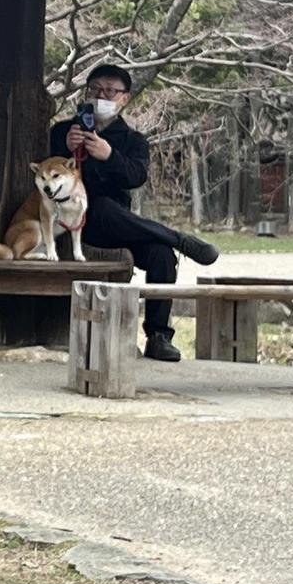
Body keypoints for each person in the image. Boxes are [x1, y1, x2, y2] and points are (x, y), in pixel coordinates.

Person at [50, 65, 219, 362]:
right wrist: (63, 150)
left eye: (110, 91)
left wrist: (109, 155)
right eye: (95, 89)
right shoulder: (63, 131)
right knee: (97, 205)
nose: (101, 96)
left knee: (161, 253)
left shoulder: (133, 139)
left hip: (117, 224)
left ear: (124, 98)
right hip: (72, 222)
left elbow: (136, 176)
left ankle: (158, 336)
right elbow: (41, 171)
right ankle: (180, 238)